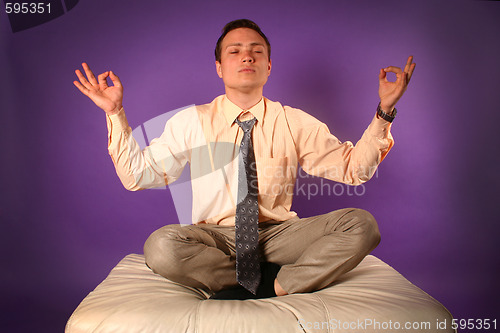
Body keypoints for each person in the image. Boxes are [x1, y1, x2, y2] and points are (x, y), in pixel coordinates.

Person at [73, 19, 415, 300]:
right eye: (235, 52)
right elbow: (136, 176)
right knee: (161, 247)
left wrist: (385, 112)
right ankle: (249, 278)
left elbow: (354, 170)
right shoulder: (191, 121)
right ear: (220, 68)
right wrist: (115, 113)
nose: (246, 58)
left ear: (269, 65)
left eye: (256, 52)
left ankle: (273, 285)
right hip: (216, 240)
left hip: (279, 235)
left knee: (361, 224)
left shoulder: (293, 120)